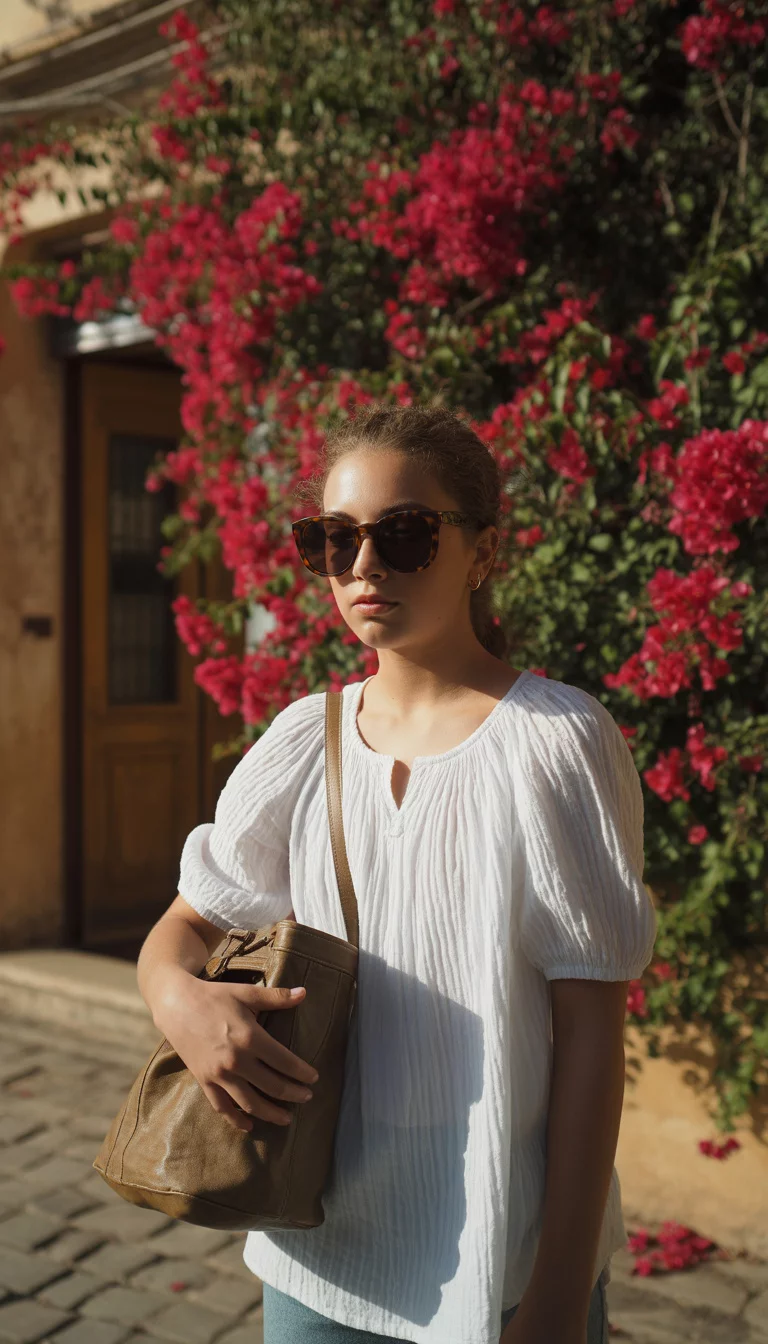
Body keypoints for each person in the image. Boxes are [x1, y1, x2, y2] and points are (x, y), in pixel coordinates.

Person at [136, 404, 658, 1344]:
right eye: (334, 540)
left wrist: (555, 1298)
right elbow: (183, 928)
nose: (365, 565)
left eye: (405, 534)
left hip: (508, 1260)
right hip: (315, 1250)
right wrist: (181, 999)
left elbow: (591, 1042)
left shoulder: (557, 742)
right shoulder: (304, 739)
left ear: (484, 551)